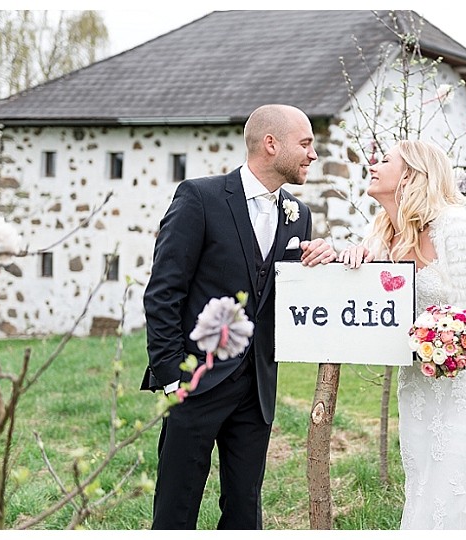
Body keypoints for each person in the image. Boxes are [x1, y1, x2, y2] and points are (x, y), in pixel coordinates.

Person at [141, 104, 336, 529]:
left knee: (246, 507)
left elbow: (282, 294)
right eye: (305, 144)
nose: (313, 155)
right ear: (271, 144)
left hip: (258, 388)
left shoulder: (298, 215)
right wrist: (174, 374)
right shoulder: (200, 197)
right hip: (196, 379)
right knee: (177, 505)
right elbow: (163, 291)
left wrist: (323, 259)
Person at [339, 140, 466, 529]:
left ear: (411, 174)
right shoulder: (380, 233)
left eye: (386, 160)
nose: (374, 165)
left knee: (460, 477)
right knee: (426, 480)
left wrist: (459, 335)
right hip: (417, 381)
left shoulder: (456, 229)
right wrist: (353, 257)